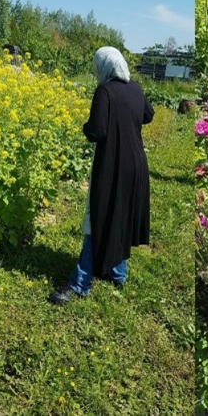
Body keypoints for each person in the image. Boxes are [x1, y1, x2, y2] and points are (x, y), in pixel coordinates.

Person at [49, 46, 155, 304]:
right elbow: (148, 115)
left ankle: (79, 283)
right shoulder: (135, 88)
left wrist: (85, 126)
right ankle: (117, 274)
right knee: (121, 217)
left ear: (104, 67)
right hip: (137, 165)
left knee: (98, 218)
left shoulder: (104, 91)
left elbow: (96, 132)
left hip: (113, 164)